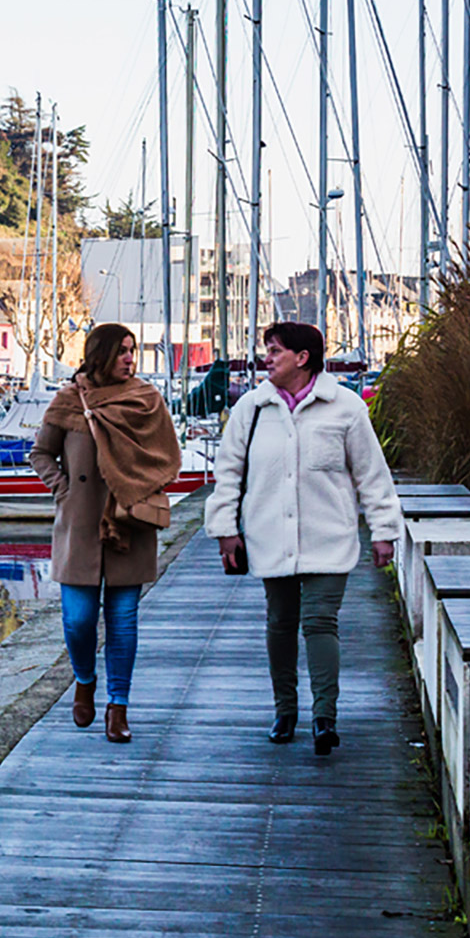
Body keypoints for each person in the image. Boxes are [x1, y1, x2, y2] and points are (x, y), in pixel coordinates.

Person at [207, 321, 402, 755]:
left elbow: (372, 474)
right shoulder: (252, 408)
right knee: (280, 623)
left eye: (275, 350)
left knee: (319, 622)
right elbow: (228, 473)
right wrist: (224, 531)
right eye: (266, 351)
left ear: (302, 357)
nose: (267, 358)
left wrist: (384, 531)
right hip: (268, 534)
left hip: (328, 537)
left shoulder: (345, 408)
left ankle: (324, 718)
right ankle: (285, 712)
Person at [30, 324, 182, 743]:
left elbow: (168, 457)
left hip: (130, 522)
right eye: (121, 352)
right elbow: (41, 453)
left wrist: (141, 485)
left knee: (123, 621)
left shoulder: (146, 401)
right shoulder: (68, 400)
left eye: (132, 351)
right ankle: (84, 679)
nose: (130, 359)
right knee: (78, 621)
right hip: (79, 524)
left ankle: (119, 706)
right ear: (100, 355)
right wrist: (63, 490)